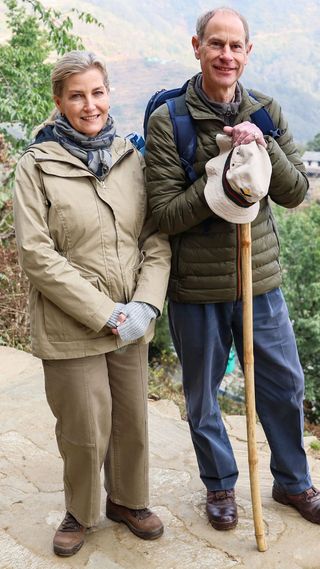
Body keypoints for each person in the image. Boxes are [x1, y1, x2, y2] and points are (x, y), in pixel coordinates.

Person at [145, 7, 320, 531]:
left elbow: (295, 193)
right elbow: (164, 214)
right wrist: (221, 179)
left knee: (284, 385)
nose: (226, 55)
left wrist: (260, 147)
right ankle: (220, 486)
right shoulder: (169, 119)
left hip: (257, 279)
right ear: (196, 47)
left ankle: (293, 482)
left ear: (247, 52)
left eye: (235, 46)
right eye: (215, 44)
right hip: (195, 287)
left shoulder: (264, 109)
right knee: (202, 396)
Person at [13, 50, 171, 557]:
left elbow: (155, 238)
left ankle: (128, 501)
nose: (89, 105)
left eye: (97, 93)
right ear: (58, 102)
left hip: (131, 318)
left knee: (131, 420)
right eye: (77, 96)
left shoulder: (131, 158)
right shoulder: (35, 166)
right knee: (84, 426)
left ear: (109, 94)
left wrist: (145, 305)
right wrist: (105, 313)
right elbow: (36, 254)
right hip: (74, 323)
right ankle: (81, 512)